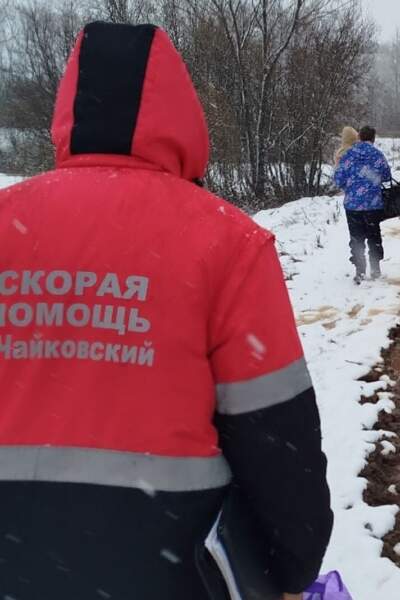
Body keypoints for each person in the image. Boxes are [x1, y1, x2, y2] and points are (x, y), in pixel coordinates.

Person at [0, 22, 332, 600]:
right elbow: (276, 435)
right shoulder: (227, 243)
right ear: (182, 119)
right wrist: (292, 564)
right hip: (169, 570)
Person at [334, 126, 392, 284]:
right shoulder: (377, 155)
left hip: (353, 205)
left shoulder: (348, 154)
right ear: (373, 138)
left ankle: (360, 270)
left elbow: (338, 179)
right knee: (374, 236)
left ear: (359, 136)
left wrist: (350, 185)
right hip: (373, 205)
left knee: (357, 238)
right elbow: (386, 177)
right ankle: (375, 269)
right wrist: (373, 178)